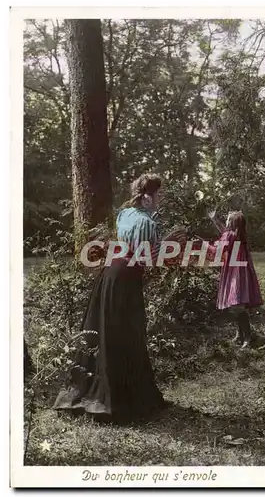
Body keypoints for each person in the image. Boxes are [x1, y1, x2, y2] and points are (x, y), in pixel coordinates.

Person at [53, 174, 187, 423]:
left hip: (109, 274)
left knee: (105, 331)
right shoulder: (148, 222)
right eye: (159, 194)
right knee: (126, 334)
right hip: (126, 278)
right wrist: (169, 244)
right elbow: (148, 259)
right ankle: (120, 400)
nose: (161, 198)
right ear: (147, 196)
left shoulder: (124, 214)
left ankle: (93, 393)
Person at [207, 210, 263, 348]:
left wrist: (204, 245)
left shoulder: (229, 235)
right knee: (237, 305)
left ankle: (247, 338)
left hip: (234, 274)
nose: (225, 221)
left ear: (232, 223)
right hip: (241, 273)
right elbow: (225, 232)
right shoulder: (238, 235)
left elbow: (219, 248)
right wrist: (215, 220)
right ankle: (240, 334)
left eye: (227, 220)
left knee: (237, 306)